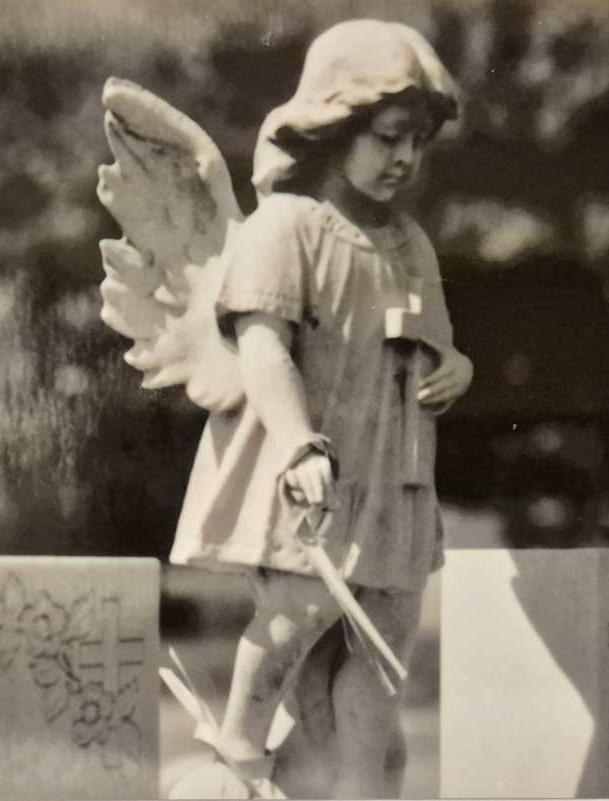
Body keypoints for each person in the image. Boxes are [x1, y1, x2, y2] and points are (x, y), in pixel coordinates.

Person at [168, 19, 472, 799]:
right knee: (295, 613)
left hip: (396, 474)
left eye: (418, 142)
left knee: (384, 643)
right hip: (317, 467)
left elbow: (436, 345)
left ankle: (359, 784)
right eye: (389, 136)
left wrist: (457, 369)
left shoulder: (409, 243)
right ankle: (238, 754)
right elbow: (261, 347)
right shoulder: (285, 227)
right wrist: (301, 442)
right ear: (336, 126)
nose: (405, 156)